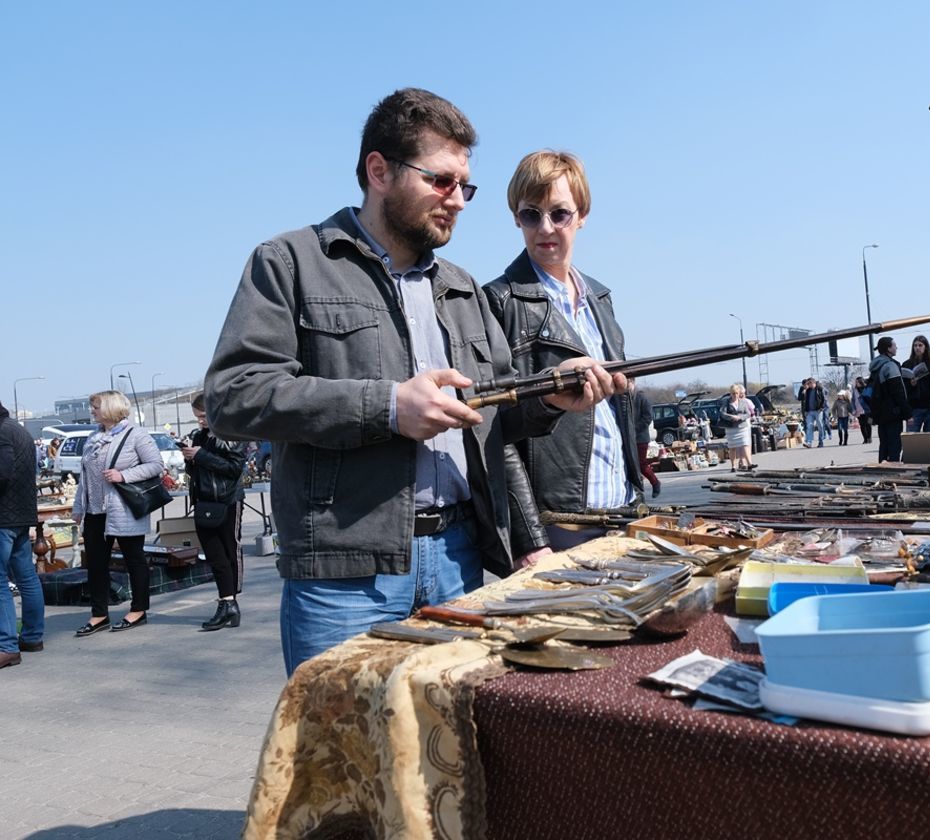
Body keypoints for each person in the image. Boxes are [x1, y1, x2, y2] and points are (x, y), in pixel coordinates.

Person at [203, 88, 621, 675]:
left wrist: (550, 396)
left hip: (457, 557)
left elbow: (494, 410)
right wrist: (387, 407)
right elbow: (232, 395)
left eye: (464, 186)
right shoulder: (290, 262)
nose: (458, 200)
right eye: (441, 181)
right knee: (346, 755)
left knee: (444, 750)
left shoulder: (461, 287)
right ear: (379, 170)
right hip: (347, 574)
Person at [483, 150, 640, 557]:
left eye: (560, 213)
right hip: (559, 526)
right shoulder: (499, 301)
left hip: (624, 509)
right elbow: (492, 431)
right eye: (531, 214)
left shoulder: (600, 298)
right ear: (516, 218)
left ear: (582, 214)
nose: (545, 227)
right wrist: (529, 539)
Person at [72, 391, 164, 636]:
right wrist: (78, 507)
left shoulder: (136, 435)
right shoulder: (93, 437)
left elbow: (156, 465)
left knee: (134, 559)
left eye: (96, 407)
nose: (92, 411)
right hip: (94, 511)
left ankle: (139, 609)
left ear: (111, 408)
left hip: (123, 509)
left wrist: (123, 475)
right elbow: (84, 476)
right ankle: (99, 614)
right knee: (96, 564)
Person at [182, 392, 247, 631]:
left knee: (230, 551)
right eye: (197, 417)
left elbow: (233, 469)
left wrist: (201, 455)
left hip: (227, 501)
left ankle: (229, 602)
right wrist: (190, 456)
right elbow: (196, 471)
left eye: (203, 416)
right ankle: (227, 603)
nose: (199, 421)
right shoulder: (199, 436)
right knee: (214, 555)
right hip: (204, 501)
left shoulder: (231, 435)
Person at [0, 400, 42, 668]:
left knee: (1, 582)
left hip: (4, 517)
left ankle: (6, 646)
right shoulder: (18, 429)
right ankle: (32, 637)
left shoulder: (2, 432)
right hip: (20, 515)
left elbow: (2, 474)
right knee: (26, 577)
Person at [869, 337, 911, 462]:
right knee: (894, 446)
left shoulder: (875, 366)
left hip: (880, 413)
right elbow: (897, 391)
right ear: (888, 348)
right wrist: (908, 413)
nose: (896, 347)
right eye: (894, 345)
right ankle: (893, 473)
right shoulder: (890, 366)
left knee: (884, 445)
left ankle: (882, 471)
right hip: (892, 412)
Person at [901, 334, 930, 433]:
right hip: (914, 408)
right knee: (911, 439)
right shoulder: (907, 364)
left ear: (926, 347)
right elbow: (903, 388)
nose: (917, 348)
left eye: (920, 345)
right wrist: (911, 384)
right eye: (915, 345)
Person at [627, 379, 661, 499]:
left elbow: (648, 417)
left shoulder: (641, 397)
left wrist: (634, 429)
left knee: (641, 464)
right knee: (630, 465)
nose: (626, 386)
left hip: (640, 437)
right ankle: (636, 491)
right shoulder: (625, 398)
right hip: (628, 438)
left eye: (628, 383)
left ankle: (655, 483)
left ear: (632, 382)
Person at [719, 384, 758, 470]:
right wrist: (731, 417)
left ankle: (749, 464)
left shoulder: (743, 402)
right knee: (732, 447)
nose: (735, 395)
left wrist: (740, 417)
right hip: (731, 428)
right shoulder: (726, 402)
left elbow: (748, 413)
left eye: (736, 393)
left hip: (742, 427)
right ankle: (733, 466)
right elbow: (722, 413)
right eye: (733, 393)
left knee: (745, 444)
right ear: (730, 393)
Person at [797, 377, 828, 447]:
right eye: (807, 384)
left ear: (813, 383)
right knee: (809, 426)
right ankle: (809, 442)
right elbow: (801, 399)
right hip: (810, 412)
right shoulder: (807, 391)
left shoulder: (820, 389)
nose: (808, 385)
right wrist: (804, 391)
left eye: (809, 383)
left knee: (820, 426)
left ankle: (821, 441)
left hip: (818, 411)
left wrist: (821, 408)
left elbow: (824, 400)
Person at [853, 377, 873, 444]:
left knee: (868, 424)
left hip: (867, 409)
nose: (856, 383)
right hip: (859, 410)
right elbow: (853, 400)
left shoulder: (866, 388)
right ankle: (865, 438)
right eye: (856, 382)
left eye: (857, 382)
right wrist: (854, 409)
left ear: (861, 382)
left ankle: (869, 437)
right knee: (862, 425)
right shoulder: (855, 390)